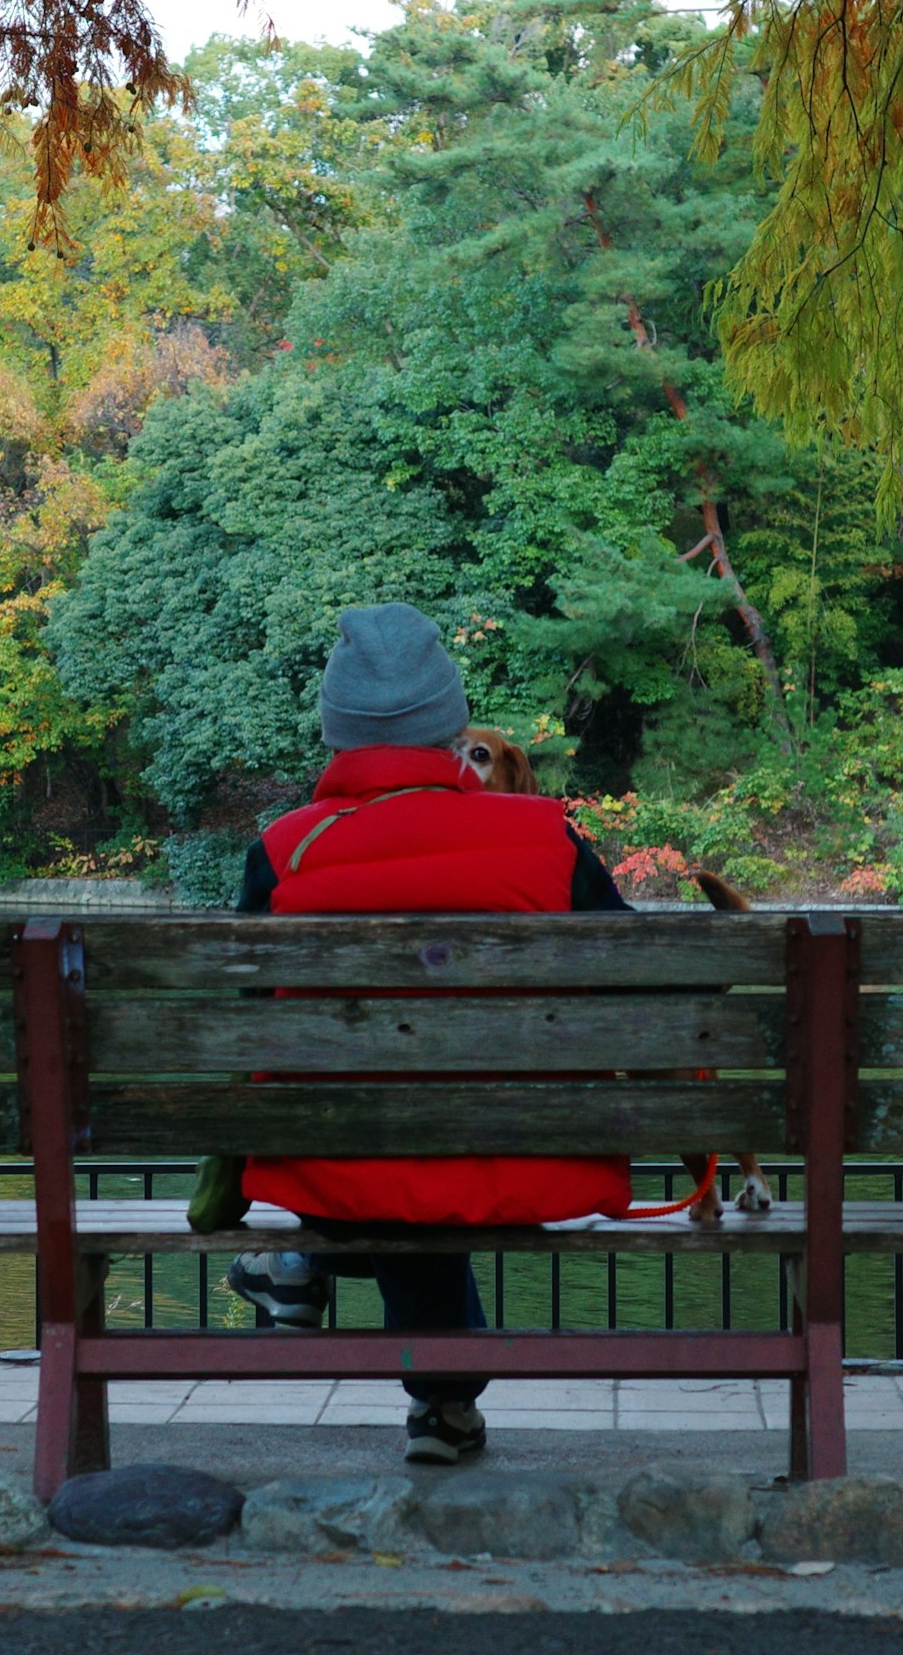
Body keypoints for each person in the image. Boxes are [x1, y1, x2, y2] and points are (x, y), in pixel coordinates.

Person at [221, 603, 632, 1464]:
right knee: (426, 1151)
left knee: (377, 1146)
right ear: (450, 725)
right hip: (536, 1156)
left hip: (334, 1162)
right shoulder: (544, 838)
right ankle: (443, 1406)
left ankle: (305, 1268)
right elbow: (643, 975)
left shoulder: (287, 850)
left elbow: (240, 1022)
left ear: (337, 730)